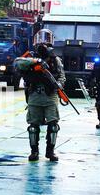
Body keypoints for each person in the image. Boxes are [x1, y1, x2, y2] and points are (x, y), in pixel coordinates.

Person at [14, 29, 65, 162]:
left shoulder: (55, 60)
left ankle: (50, 152)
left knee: (53, 125)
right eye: (41, 40)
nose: (43, 43)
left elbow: (61, 75)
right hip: (35, 94)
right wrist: (35, 61)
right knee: (33, 126)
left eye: (46, 40)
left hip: (50, 95)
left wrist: (59, 84)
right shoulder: (30, 56)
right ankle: (34, 152)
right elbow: (17, 63)